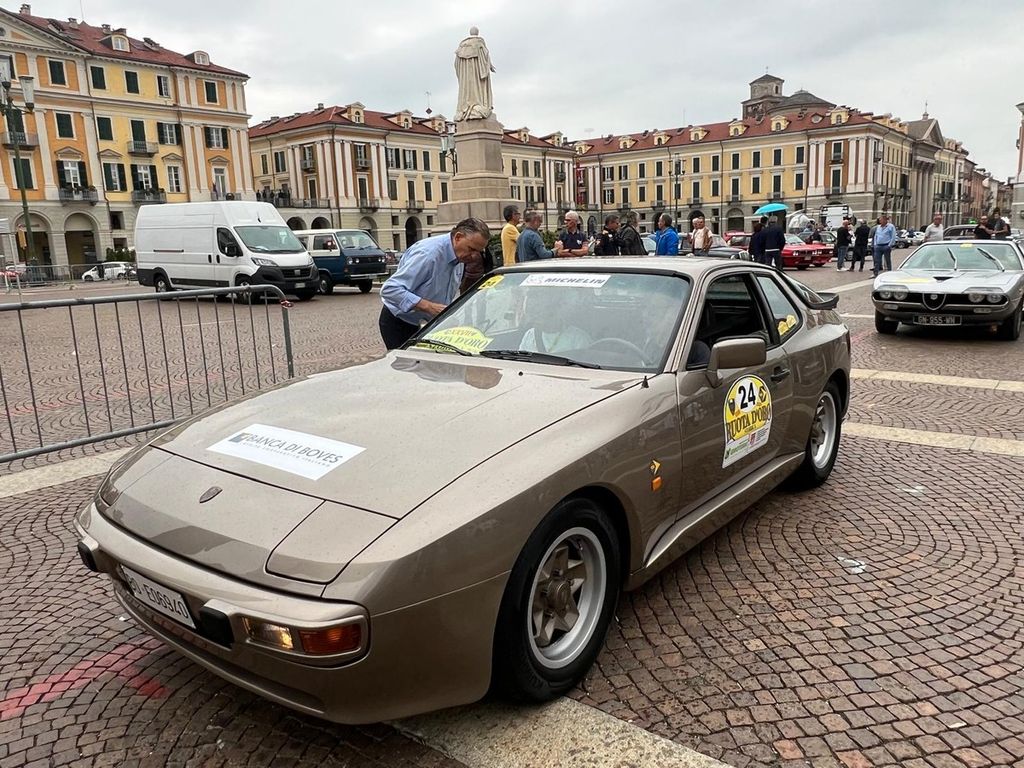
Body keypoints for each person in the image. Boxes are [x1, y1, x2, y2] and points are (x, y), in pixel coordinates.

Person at [379, 218, 490, 349]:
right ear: (458, 237)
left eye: (478, 252)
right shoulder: (428, 255)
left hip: (428, 325)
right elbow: (390, 289)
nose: (474, 256)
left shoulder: (460, 256)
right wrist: (429, 307)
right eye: (471, 249)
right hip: (399, 324)